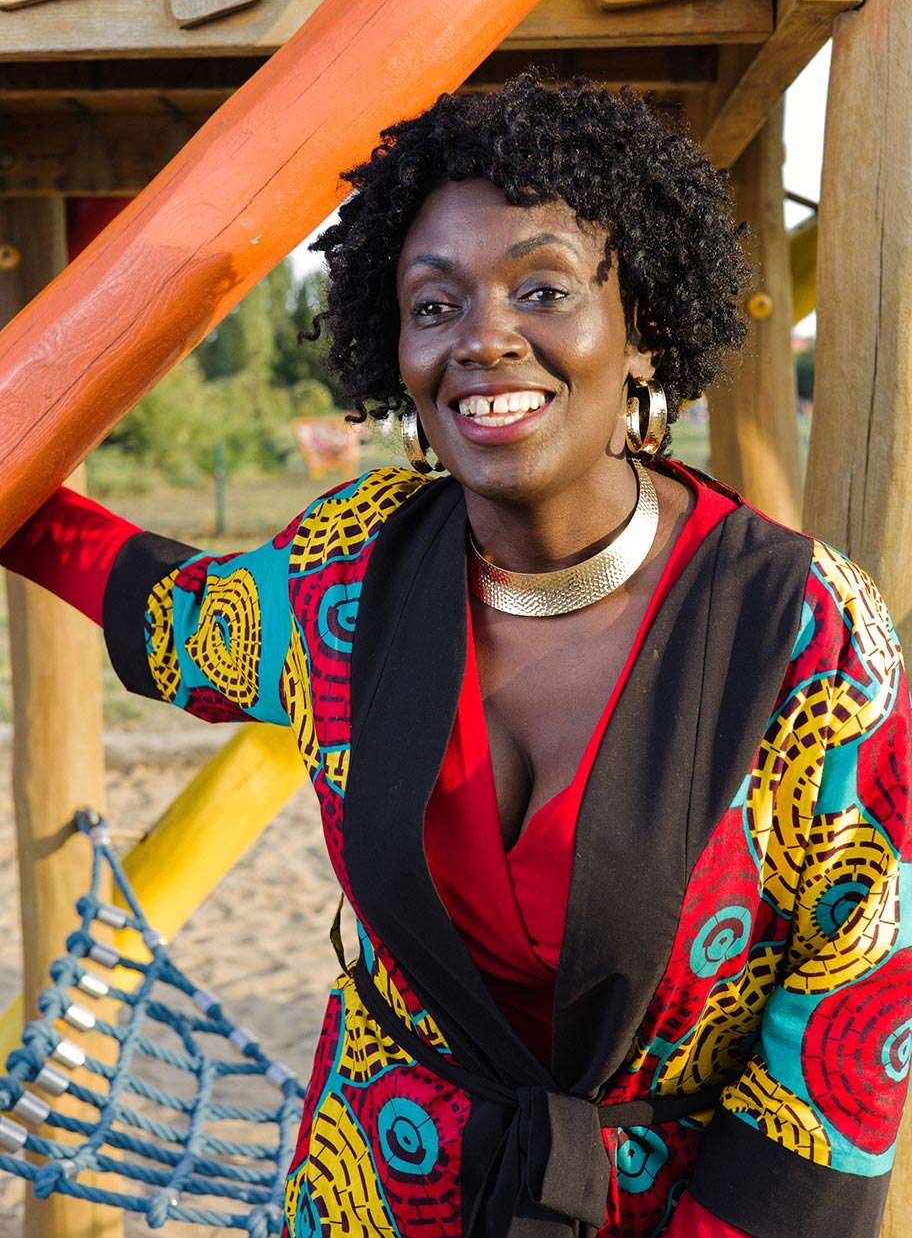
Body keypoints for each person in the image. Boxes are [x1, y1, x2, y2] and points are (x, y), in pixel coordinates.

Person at [3, 73, 910, 1238]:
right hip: (372, 1191)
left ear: (640, 334)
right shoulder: (352, 570)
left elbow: (845, 1037)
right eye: (435, 305)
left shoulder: (809, 634)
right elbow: (178, 619)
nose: (483, 337)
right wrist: (19, 496)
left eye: (543, 288)